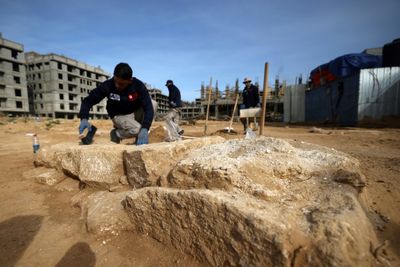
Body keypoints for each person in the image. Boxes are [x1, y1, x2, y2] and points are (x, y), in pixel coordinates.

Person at [78, 62, 156, 145]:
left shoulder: (138, 86)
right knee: (137, 129)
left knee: (153, 103)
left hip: (134, 112)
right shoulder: (108, 86)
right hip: (119, 115)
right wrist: (84, 118)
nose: (117, 85)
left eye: (121, 84)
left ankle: (139, 137)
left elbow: (148, 108)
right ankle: (116, 134)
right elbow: (88, 101)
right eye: (115, 81)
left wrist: (145, 128)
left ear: (130, 81)